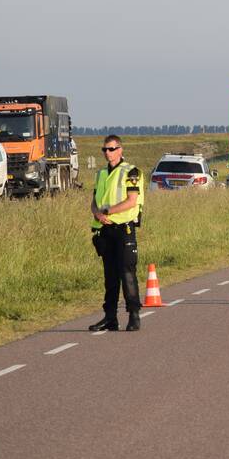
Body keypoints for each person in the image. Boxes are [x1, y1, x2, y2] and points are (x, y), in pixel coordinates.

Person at [88, 135, 144, 332]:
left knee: (127, 272)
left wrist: (107, 212)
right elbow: (95, 199)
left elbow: (132, 200)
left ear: (120, 150)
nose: (107, 153)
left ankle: (134, 315)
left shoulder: (131, 171)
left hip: (124, 229)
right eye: (105, 149)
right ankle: (110, 317)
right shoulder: (101, 173)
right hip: (105, 230)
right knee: (110, 276)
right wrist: (97, 213)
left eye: (111, 149)